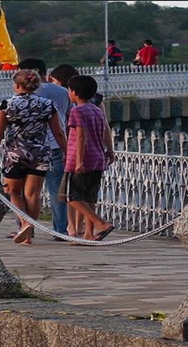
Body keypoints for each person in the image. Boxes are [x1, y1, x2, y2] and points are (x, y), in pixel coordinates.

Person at [0, 70, 66, 246]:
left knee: (12, 191)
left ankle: (25, 223)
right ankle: (28, 234)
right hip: (40, 153)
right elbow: (58, 133)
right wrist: (67, 152)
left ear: (16, 85)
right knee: (33, 194)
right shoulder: (48, 105)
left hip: (15, 154)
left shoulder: (6, 105)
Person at [18, 58, 72, 240]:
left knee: (28, 191)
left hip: (30, 148)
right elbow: (67, 120)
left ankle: (25, 227)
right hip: (56, 146)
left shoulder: (22, 95)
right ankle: (61, 230)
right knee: (57, 191)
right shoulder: (62, 91)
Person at [63, 75, 116, 241]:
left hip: (80, 160)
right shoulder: (97, 109)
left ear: (74, 92)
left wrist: (78, 161)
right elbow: (104, 129)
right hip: (97, 158)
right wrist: (110, 150)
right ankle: (88, 233)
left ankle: (101, 224)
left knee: (70, 196)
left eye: (69, 90)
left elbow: (80, 136)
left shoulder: (77, 111)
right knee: (89, 196)